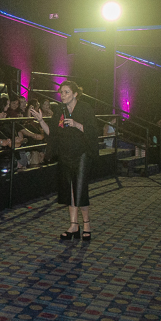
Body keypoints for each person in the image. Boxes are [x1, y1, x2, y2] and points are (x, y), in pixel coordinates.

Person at [30, 81, 99, 240]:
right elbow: (52, 133)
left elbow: (93, 131)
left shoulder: (85, 108)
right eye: (61, 92)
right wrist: (41, 120)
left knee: (80, 189)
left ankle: (87, 224)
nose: (63, 95)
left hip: (82, 154)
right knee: (69, 190)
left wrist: (76, 124)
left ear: (75, 94)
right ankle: (74, 225)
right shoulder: (59, 111)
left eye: (67, 92)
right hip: (65, 154)